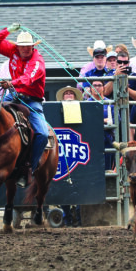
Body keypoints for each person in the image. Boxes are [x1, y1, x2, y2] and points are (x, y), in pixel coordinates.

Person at [0, 23, 50, 188]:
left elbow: (29, 78)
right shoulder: (13, 51)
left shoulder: (37, 60)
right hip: (13, 95)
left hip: (32, 101)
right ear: (18, 46)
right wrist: (7, 30)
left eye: (27, 46)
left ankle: (29, 167)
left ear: (32, 47)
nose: (24, 49)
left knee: (43, 134)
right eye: (22, 46)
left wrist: (12, 82)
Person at [56, 86, 83, 227]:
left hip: (76, 151)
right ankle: (67, 216)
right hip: (65, 152)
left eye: (71, 93)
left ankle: (78, 216)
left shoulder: (84, 108)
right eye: (66, 93)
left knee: (80, 183)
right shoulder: (55, 110)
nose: (68, 95)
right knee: (62, 184)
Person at [89, 80, 116, 170]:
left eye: (99, 85)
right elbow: (86, 121)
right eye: (94, 85)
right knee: (91, 165)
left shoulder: (110, 103)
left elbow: (115, 120)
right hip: (90, 138)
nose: (97, 87)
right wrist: (103, 120)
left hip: (107, 137)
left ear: (104, 88)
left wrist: (95, 120)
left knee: (107, 166)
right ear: (90, 88)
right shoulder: (85, 103)